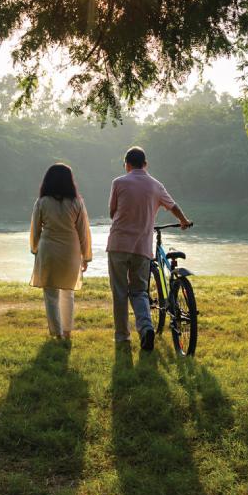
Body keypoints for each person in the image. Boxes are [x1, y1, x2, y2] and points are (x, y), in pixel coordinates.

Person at [107, 146, 191, 351]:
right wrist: (183, 221)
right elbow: (173, 206)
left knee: (120, 292)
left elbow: (112, 212)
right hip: (142, 247)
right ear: (145, 164)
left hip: (118, 244)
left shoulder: (118, 183)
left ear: (126, 164)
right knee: (139, 291)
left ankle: (122, 337)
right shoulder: (156, 185)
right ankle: (146, 329)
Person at [30, 163, 93, 341]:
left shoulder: (42, 202)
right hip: (70, 251)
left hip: (48, 250)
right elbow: (83, 231)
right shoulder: (77, 203)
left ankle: (57, 333)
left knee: (51, 294)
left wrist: (34, 249)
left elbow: (35, 230)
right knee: (68, 292)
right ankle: (67, 331)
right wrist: (86, 256)